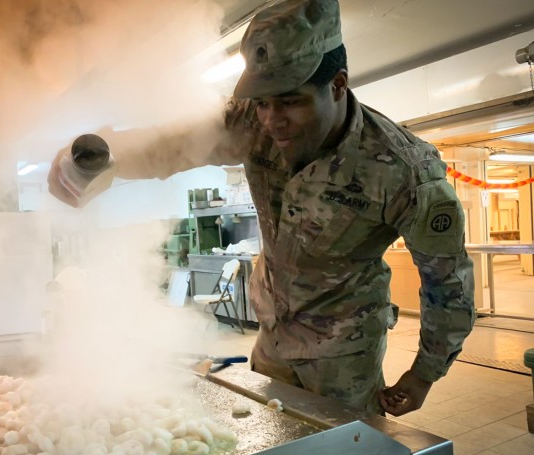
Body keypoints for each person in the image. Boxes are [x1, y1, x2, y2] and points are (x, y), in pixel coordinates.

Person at [49, 0, 475, 416]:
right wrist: (102, 160)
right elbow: (176, 143)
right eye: (264, 103)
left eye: (290, 101)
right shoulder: (254, 120)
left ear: (338, 84)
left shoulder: (403, 171)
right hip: (271, 333)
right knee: (274, 440)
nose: (272, 120)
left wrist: (424, 374)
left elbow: (448, 283)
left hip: (343, 352)